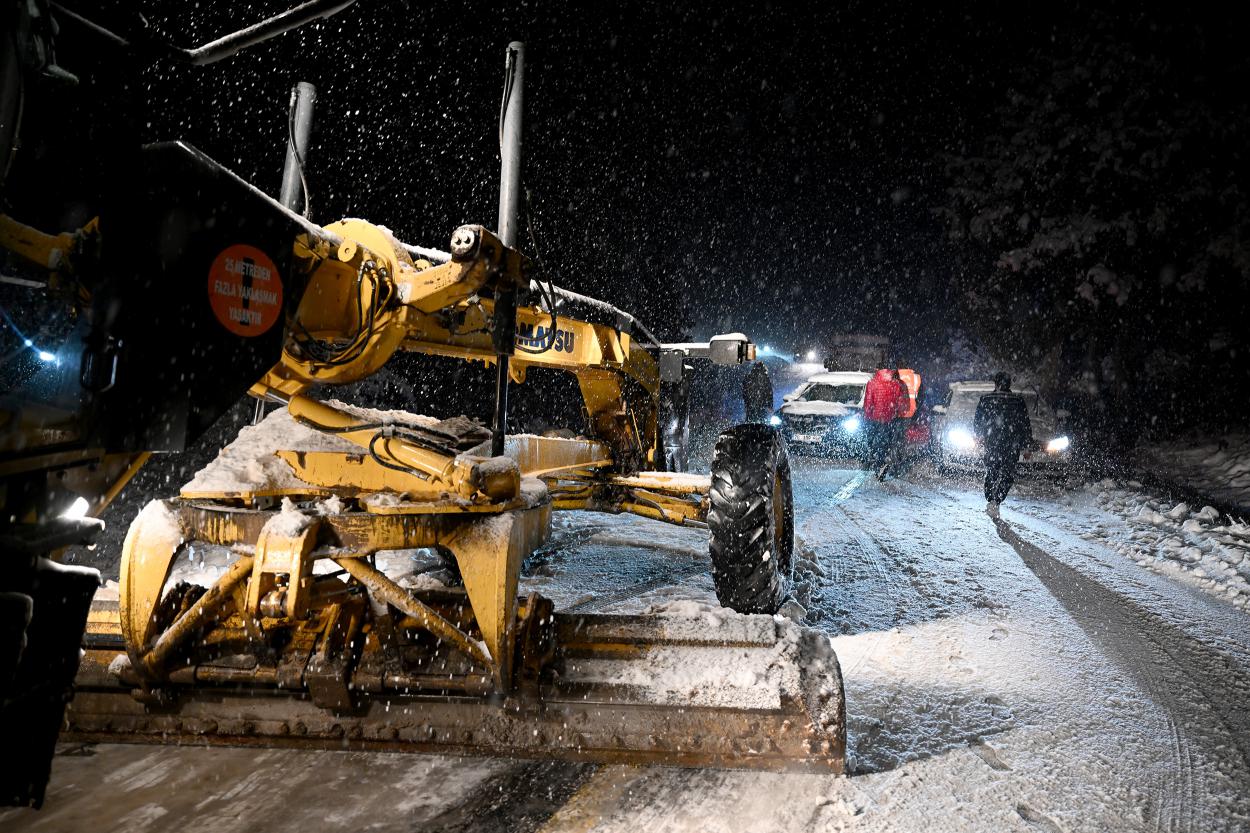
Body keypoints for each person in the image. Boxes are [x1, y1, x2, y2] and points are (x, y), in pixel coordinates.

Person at [973, 372, 1034, 518]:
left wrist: (980, 436)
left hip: (992, 443)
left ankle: (991, 498)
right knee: (1007, 474)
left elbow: (978, 421)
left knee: (992, 471)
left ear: (995, 383)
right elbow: (1025, 425)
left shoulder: (986, 399)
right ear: (1009, 384)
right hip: (1012, 444)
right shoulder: (1017, 401)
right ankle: (997, 500)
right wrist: (1026, 447)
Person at [862, 367, 904, 475]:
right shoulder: (896, 384)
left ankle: (874, 463)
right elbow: (900, 404)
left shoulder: (872, 383)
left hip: (875, 418)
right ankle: (884, 462)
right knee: (887, 442)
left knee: (874, 441)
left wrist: (867, 416)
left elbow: (868, 402)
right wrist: (897, 413)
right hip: (890, 418)